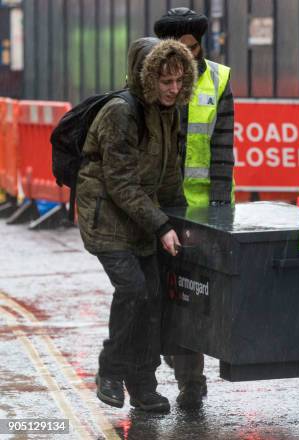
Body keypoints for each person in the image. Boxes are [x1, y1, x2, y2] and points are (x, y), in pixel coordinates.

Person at [76, 37, 196, 412]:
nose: (174, 90)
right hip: (107, 220)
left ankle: (143, 386)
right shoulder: (120, 112)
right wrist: (162, 226)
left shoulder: (169, 111)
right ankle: (109, 370)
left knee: (153, 300)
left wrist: (183, 220)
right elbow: (120, 182)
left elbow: (168, 177)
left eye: (179, 82)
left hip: (142, 220)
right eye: (165, 82)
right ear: (147, 79)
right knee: (133, 289)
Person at [154, 7, 235, 410]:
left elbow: (222, 148)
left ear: (200, 43)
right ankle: (157, 375)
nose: (185, 58)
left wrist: (220, 205)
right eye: (177, 49)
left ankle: (190, 382)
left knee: (193, 298)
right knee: (160, 297)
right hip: (159, 206)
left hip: (201, 209)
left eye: (191, 47)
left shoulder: (218, 79)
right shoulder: (152, 80)